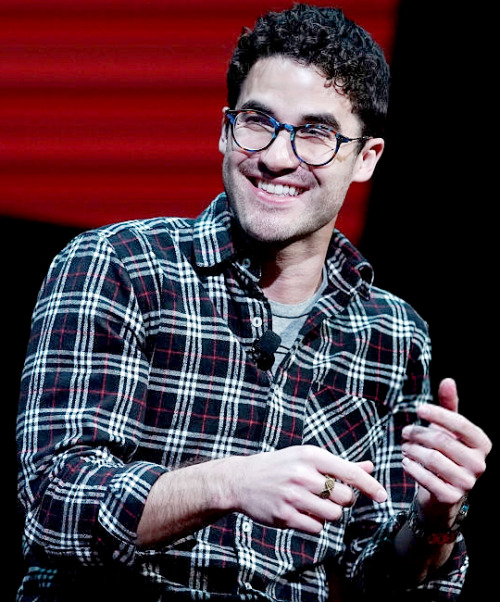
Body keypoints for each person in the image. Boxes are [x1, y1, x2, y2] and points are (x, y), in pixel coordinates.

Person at [16, 4, 491, 601]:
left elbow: (385, 581)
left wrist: (434, 520)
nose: (276, 156)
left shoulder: (393, 334)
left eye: (316, 134)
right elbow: (56, 505)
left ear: (366, 158)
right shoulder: (119, 265)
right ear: (224, 130)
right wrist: (232, 484)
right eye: (257, 121)